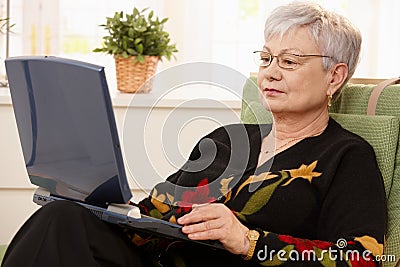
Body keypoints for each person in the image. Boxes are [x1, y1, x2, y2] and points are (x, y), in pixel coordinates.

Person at [2, 2, 386, 267]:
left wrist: (248, 241)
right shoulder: (226, 139)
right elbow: (153, 216)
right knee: (62, 217)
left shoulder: (347, 156)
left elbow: (362, 257)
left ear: (334, 76)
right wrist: (100, 204)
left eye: (289, 61)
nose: (270, 72)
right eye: (266, 58)